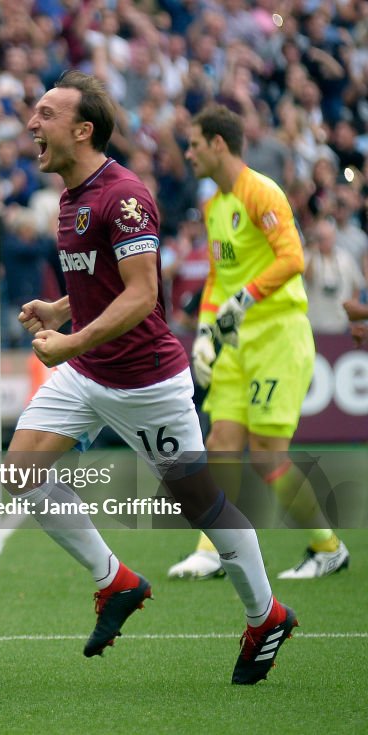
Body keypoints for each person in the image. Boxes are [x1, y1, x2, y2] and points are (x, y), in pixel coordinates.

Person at [9, 71, 293, 684]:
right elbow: (102, 284)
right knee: (19, 472)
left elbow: (141, 296)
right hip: (88, 371)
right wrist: (60, 311)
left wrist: (70, 340)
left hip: (146, 384)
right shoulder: (69, 196)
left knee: (200, 505)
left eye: (46, 114)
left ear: (83, 130)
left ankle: (266, 614)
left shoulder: (125, 196)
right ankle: (114, 581)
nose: (33, 124)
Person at [170, 105, 349, 580]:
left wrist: (244, 299)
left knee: (268, 453)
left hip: (276, 335)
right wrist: (206, 333)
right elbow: (217, 278)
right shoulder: (215, 206)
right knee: (222, 443)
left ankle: (328, 547)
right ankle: (214, 551)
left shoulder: (260, 191)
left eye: (193, 144)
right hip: (235, 343)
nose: (187, 154)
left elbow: (292, 259)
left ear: (218, 145)